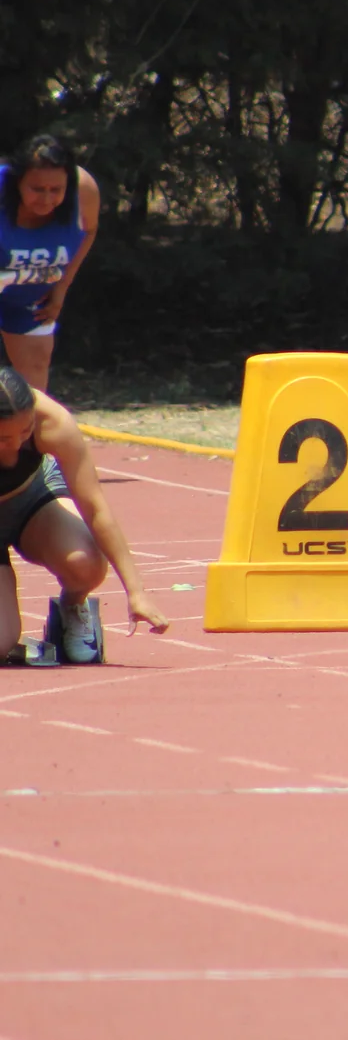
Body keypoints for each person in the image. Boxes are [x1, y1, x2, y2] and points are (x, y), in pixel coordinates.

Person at [0, 367, 169, 663]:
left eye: (25, 432)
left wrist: (136, 592)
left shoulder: (53, 421)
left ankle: (71, 607)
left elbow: (96, 507)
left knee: (85, 563)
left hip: (31, 501)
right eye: (1, 438)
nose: (15, 447)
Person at [0, 135, 101, 391]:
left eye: (55, 190)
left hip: (30, 297)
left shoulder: (84, 190)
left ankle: (28, 432)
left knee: (34, 378)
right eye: (37, 189)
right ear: (17, 181)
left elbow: (88, 231)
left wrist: (60, 288)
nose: (46, 199)